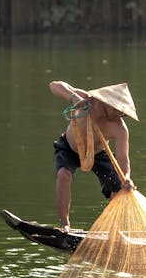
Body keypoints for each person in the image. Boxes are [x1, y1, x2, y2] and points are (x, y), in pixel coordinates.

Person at [49, 81, 138, 230]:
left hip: (98, 153)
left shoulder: (119, 128)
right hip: (69, 147)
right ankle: (64, 224)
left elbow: (123, 159)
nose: (119, 114)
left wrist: (127, 177)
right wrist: (74, 98)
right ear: (107, 102)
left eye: (122, 111)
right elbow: (54, 85)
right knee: (64, 175)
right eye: (117, 109)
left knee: (120, 188)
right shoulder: (87, 100)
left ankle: (111, 229)